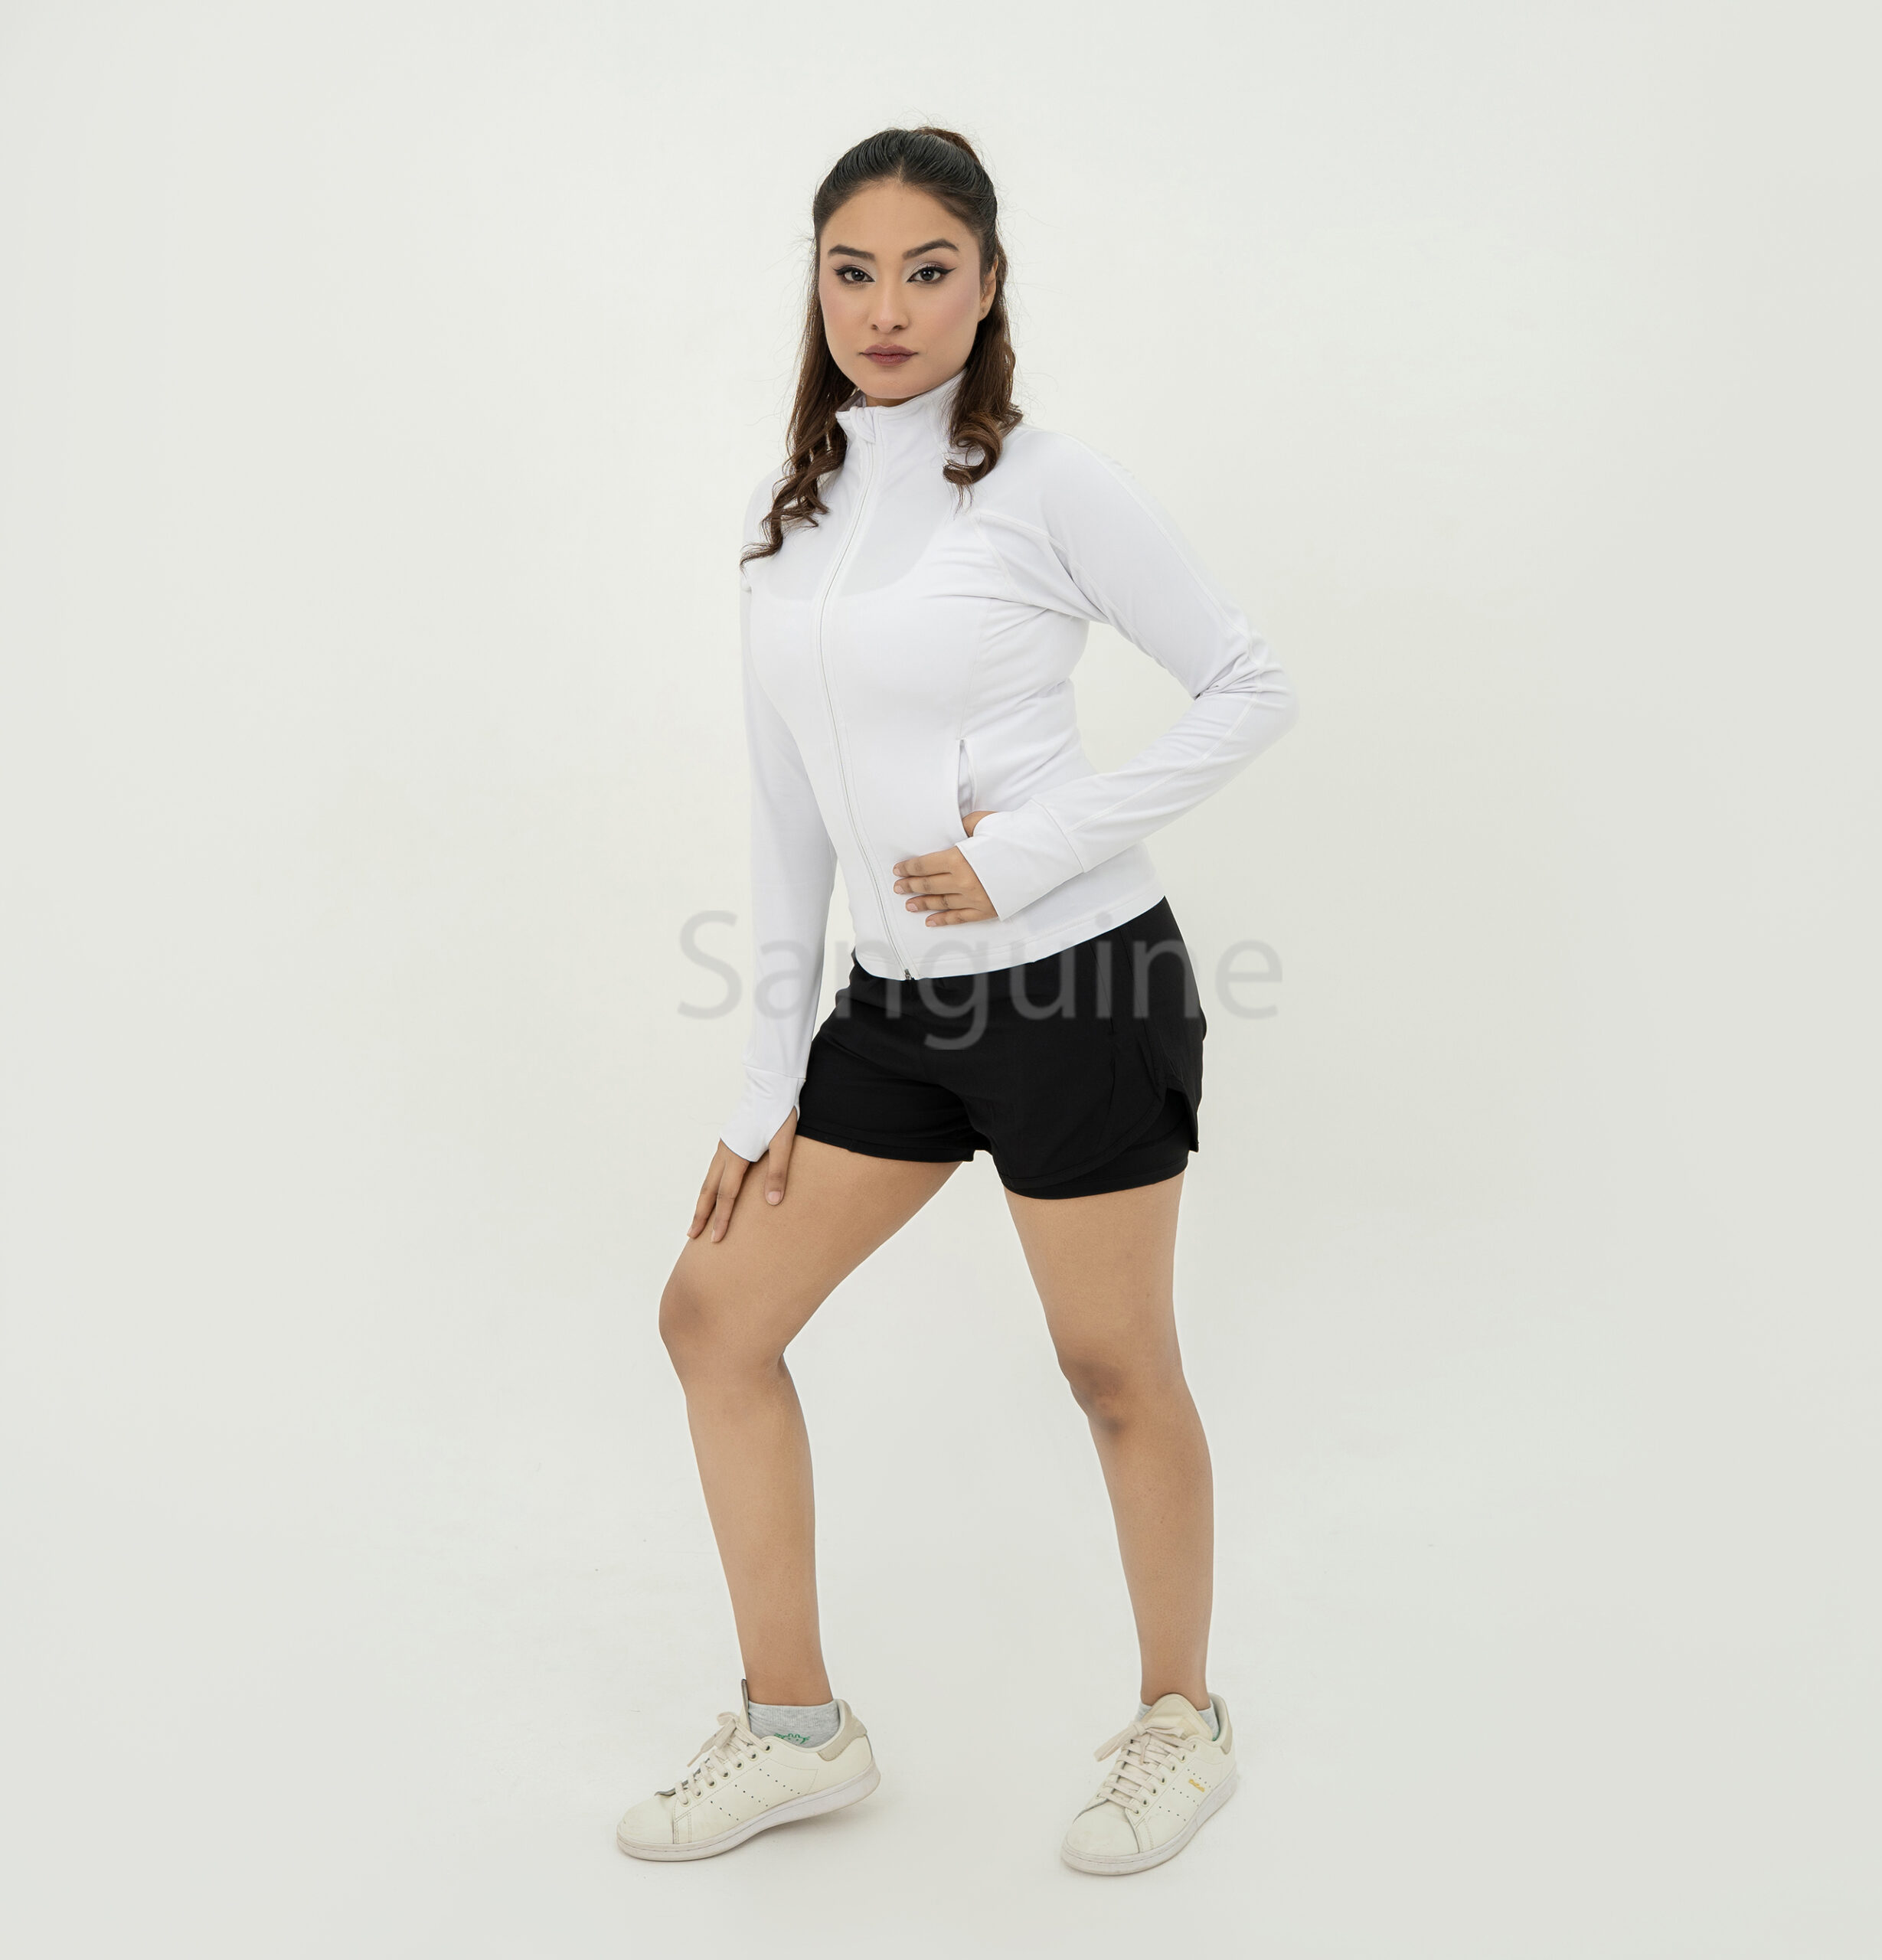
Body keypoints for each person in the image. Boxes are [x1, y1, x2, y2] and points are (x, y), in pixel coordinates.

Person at [616, 126, 1298, 1875]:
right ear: (816, 284)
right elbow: (785, 814)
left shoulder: (1043, 484)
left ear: (986, 286)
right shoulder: (786, 520)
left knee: (1111, 1364)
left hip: (1080, 986)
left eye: (929, 270)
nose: (887, 307)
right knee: (713, 1315)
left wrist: (1030, 849)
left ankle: (1179, 1719)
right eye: (852, 270)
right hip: (896, 1012)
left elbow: (1245, 683)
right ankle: (795, 1728)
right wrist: (763, 1077)